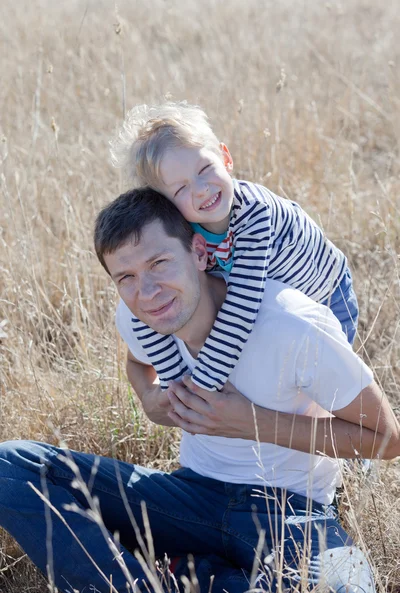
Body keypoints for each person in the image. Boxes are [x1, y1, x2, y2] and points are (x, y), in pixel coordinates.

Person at [1, 189, 397, 593]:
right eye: (127, 278)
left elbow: (386, 438)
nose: (148, 291)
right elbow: (138, 363)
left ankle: (204, 580)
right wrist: (148, 398)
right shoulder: (140, 315)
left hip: (291, 512)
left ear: (199, 251)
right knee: (8, 466)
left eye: (159, 263)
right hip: (186, 499)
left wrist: (251, 424)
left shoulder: (291, 325)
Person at [109, 101, 359, 393]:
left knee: (321, 389)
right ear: (166, 206)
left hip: (325, 297)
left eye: (205, 169)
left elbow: (240, 311)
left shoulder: (255, 214)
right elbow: (143, 316)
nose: (201, 188)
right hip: (267, 300)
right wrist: (175, 383)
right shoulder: (182, 230)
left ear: (225, 158)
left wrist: (202, 387)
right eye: (181, 188)